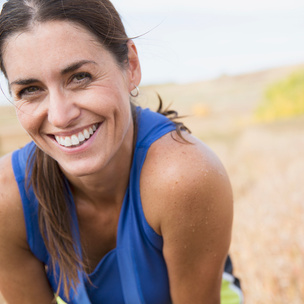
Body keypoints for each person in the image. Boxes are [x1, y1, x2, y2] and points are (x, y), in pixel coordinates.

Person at [0, 0, 243, 303]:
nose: (60, 117)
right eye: (31, 90)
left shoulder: (183, 177)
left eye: (80, 77)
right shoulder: (7, 199)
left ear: (130, 65)